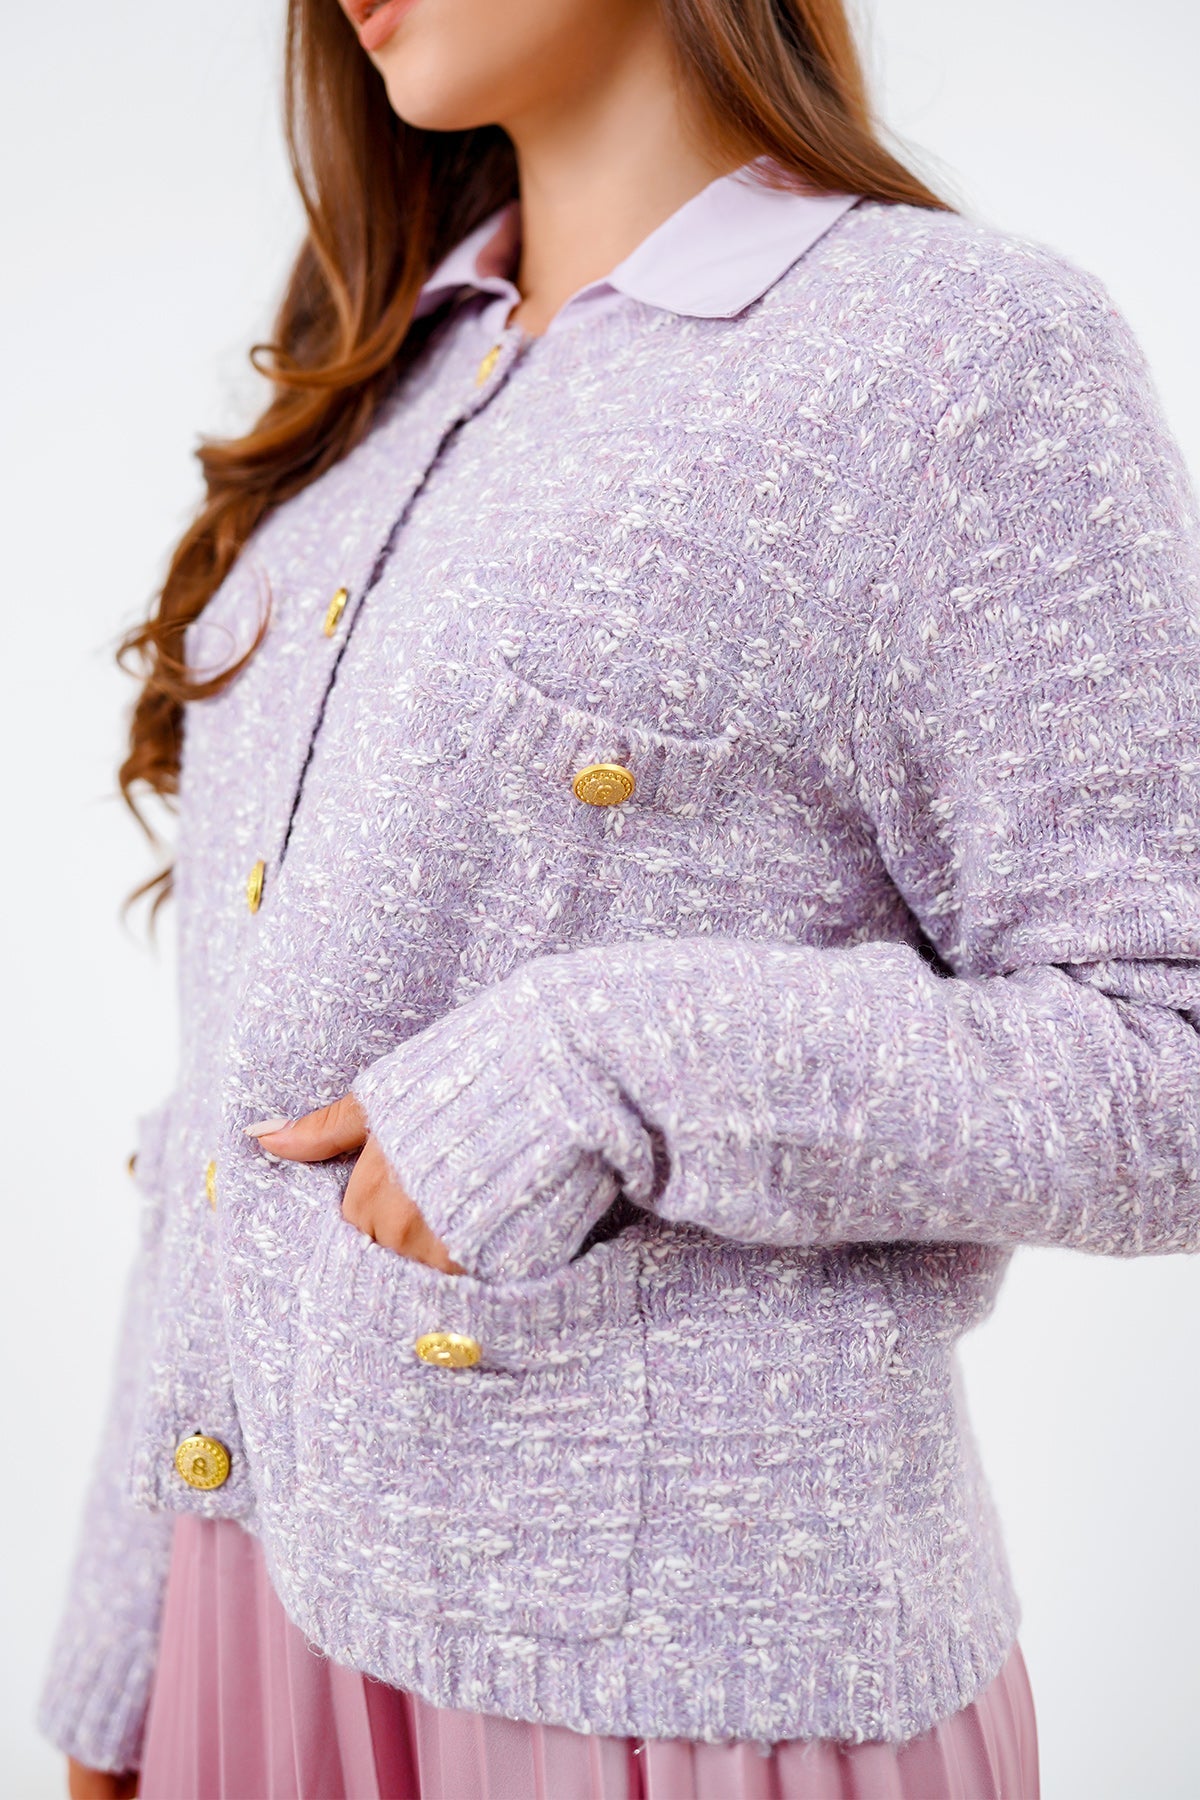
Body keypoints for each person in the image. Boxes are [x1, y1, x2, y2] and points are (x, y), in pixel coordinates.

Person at [39, 0, 1200, 1793]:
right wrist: (124, 1672)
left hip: (673, 1692)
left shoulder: (955, 356)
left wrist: (596, 1066)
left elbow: (1167, 1058)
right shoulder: (376, 390)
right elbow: (228, 1110)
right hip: (249, 1628)